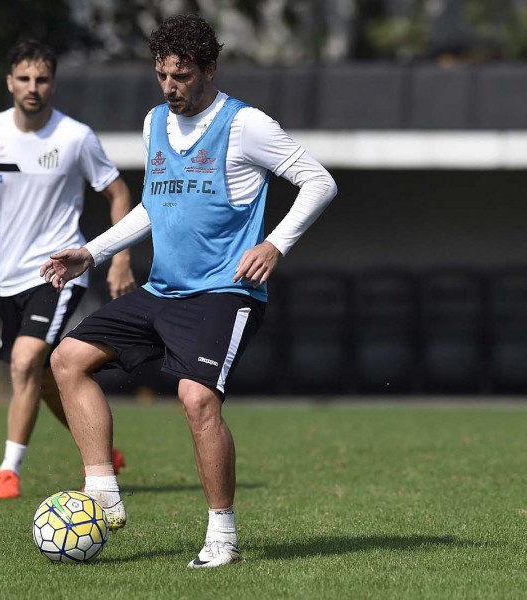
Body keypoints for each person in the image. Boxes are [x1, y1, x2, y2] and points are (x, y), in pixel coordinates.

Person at [40, 14, 338, 568]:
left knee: (197, 399)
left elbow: (320, 182)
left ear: (209, 69)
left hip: (225, 292)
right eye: (162, 75)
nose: (170, 87)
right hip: (163, 290)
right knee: (66, 360)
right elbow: (153, 207)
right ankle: (103, 491)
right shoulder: (155, 122)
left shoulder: (245, 124)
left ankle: (222, 536)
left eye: (181, 76)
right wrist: (91, 252)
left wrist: (275, 244)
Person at [0, 39, 135, 500]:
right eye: (24, 78)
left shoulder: (75, 137)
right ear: (9, 82)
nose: (33, 87)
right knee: (39, 379)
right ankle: (105, 451)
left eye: (41, 79)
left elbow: (118, 193)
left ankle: (8, 472)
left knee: (24, 362)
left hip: (58, 271)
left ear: (53, 84)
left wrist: (119, 256)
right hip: (9, 277)